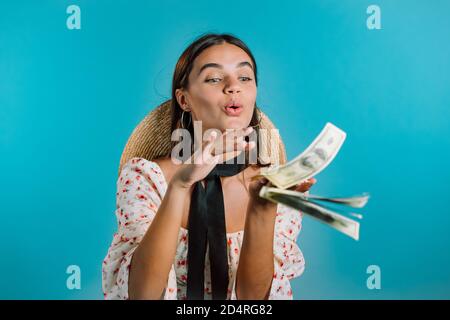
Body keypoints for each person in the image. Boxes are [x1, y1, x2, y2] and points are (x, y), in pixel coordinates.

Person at [102, 33, 316, 300]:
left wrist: (263, 207)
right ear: (184, 100)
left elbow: (254, 301)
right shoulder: (145, 178)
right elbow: (141, 295)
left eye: (245, 78)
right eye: (214, 78)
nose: (233, 87)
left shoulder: (274, 183)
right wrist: (180, 184)